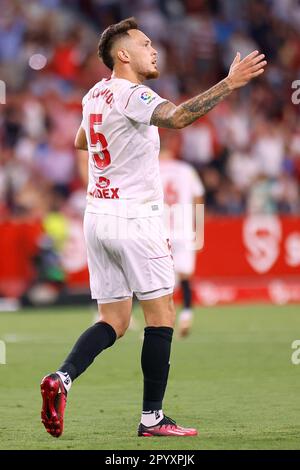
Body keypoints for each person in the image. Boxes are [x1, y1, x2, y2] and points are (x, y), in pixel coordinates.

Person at [40, 17, 266, 438]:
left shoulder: (94, 94)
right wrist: (229, 83)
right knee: (161, 317)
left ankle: (61, 378)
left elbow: (80, 142)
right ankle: (152, 419)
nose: (153, 49)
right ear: (123, 54)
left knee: (115, 320)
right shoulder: (134, 93)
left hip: (97, 216)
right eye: (145, 44)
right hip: (134, 217)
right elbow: (178, 117)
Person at [159, 142, 205, 337]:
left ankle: (159, 323)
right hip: (184, 229)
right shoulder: (187, 170)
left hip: (160, 231)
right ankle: (186, 315)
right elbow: (199, 198)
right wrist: (199, 229)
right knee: (185, 275)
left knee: (159, 280)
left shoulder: (153, 169)